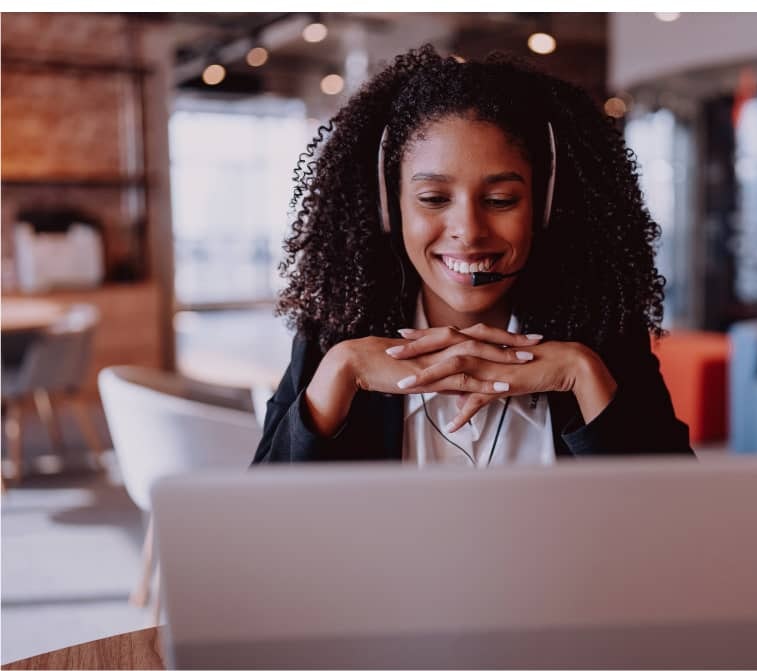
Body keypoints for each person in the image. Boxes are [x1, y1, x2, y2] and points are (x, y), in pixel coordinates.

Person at [253, 44, 693, 466]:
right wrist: (338, 375)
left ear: (543, 207)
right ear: (391, 209)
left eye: (501, 200)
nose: (468, 232)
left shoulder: (604, 338)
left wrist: (583, 375)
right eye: (433, 198)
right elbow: (263, 527)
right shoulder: (333, 341)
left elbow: (680, 522)